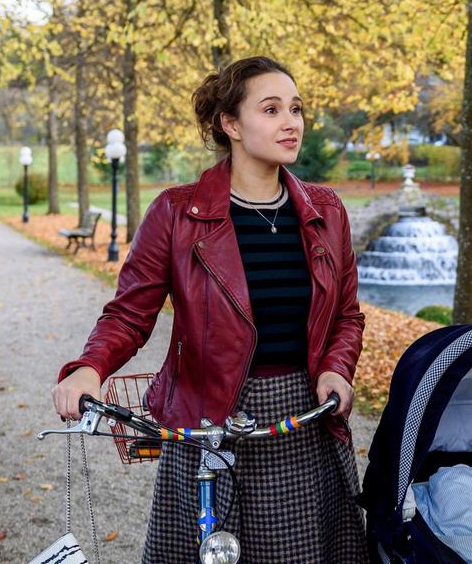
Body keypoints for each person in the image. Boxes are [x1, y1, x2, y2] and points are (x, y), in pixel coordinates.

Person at [51, 56, 369, 563]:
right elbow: (130, 313)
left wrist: (336, 368)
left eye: (296, 109)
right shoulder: (177, 212)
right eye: (271, 109)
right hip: (206, 417)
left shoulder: (327, 212)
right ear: (230, 124)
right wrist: (89, 369)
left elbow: (347, 316)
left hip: (298, 422)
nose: (291, 122)